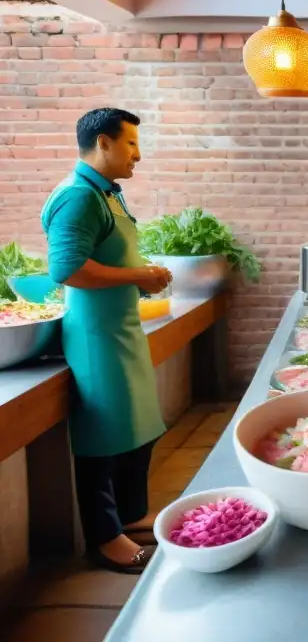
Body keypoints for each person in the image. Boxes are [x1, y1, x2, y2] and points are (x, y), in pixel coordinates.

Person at [41, 108, 173, 573]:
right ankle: (106, 538)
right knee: (103, 439)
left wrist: (142, 278)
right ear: (103, 143)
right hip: (96, 339)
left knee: (138, 429)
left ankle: (134, 516)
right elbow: (67, 268)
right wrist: (139, 274)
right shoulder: (78, 197)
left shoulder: (107, 195)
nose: (138, 153)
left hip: (123, 330)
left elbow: (107, 258)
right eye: (131, 143)